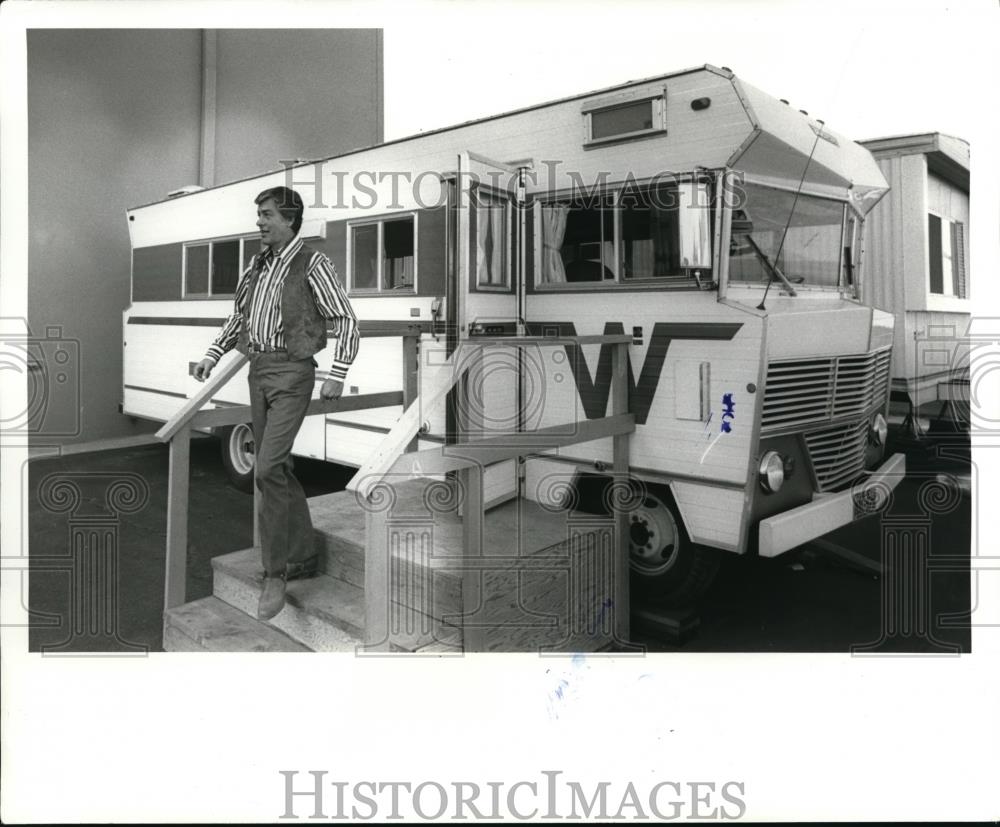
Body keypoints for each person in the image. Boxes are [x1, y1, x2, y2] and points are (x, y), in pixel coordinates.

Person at [194, 186, 359, 620]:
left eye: (266, 215)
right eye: (259, 214)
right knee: (278, 470)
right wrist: (212, 356)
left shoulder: (313, 262)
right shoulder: (257, 264)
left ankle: (275, 573)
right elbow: (239, 317)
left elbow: (346, 318)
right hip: (259, 371)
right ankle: (302, 555)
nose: (260, 222)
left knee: (266, 468)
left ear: (289, 219)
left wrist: (338, 374)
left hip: (292, 373)